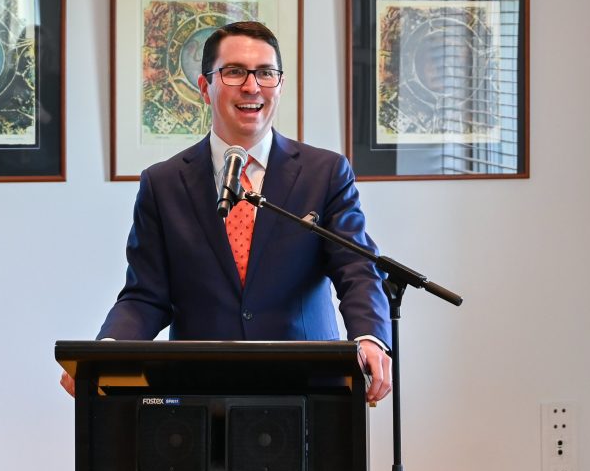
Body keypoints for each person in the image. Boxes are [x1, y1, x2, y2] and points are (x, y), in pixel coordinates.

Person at [60, 21, 392, 402]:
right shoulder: (163, 183)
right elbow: (146, 294)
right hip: (198, 393)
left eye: (266, 73)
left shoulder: (325, 173)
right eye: (234, 72)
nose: (252, 86)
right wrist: (108, 349)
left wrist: (369, 338)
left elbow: (357, 269)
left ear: (279, 86)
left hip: (309, 389)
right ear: (205, 87)